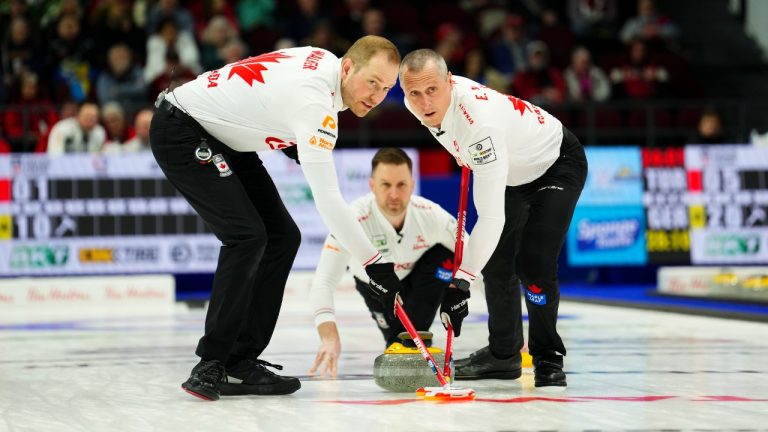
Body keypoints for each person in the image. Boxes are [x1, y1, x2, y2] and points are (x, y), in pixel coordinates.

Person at [149, 35, 404, 401]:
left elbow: (265, 88)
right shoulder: (317, 105)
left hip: (226, 134)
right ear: (347, 68)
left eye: (386, 88)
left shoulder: (321, 59)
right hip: (183, 128)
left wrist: (294, 142)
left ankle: (241, 361)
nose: (377, 96)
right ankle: (212, 363)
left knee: (283, 237)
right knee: (246, 236)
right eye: (372, 83)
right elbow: (329, 201)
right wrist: (374, 264)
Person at [399, 49, 588, 389]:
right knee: (497, 261)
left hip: (555, 163)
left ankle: (547, 357)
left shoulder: (478, 122)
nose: (425, 102)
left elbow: (490, 218)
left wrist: (459, 283)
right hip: (510, 171)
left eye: (432, 91)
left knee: (533, 265)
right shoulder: (424, 108)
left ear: (449, 82)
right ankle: (503, 356)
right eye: (414, 93)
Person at [308, 148, 462, 378]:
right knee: (396, 344)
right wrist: (330, 338)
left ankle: (414, 337)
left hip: (420, 278)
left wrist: (462, 291)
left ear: (412, 184)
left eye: (401, 185)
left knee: (445, 255)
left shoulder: (431, 215)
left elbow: (476, 258)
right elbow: (323, 282)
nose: (394, 194)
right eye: (385, 185)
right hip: (376, 288)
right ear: (371, 185)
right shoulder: (351, 220)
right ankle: (407, 339)